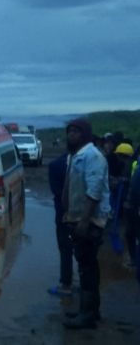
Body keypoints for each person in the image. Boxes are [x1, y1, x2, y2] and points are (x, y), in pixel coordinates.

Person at [62, 119, 110, 329]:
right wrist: (67, 212)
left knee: (86, 269)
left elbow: (94, 191)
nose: (71, 135)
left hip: (90, 221)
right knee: (88, 266)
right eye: (70, 131)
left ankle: (87, 315)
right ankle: (91, 311)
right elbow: (70, 188)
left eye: (76, 131)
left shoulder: (93, 156)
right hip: (77, 218)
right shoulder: (74, 156)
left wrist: (83, 221)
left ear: (85, 134)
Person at [47, 152, 74, 297]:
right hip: (85, 215)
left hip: (63, 215)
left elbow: (56, 191)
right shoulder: (92, 162)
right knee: (85, 252)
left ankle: (66, 284)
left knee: (65, 249)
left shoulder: (55, 165)